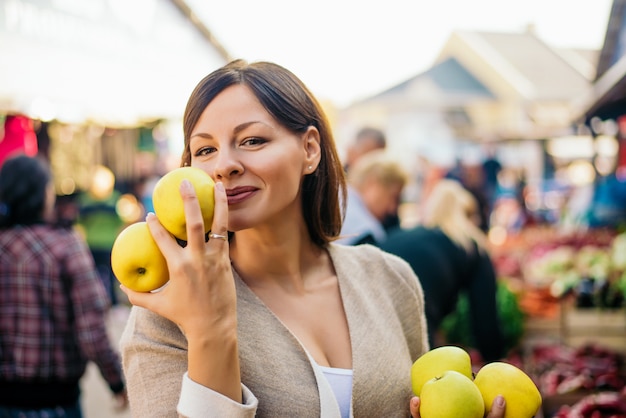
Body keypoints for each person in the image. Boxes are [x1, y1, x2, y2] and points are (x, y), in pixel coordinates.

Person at [118, 59, 507, 418]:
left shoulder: (391, 279)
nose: (225, 165)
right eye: (205, 149)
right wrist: (209, 330)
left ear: (309, 149)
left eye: (252, 140)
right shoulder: (165, 315)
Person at [0, 154, 128, 417]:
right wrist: (116, 381)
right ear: (43, 194)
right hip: (56, 401)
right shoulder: (65, 246)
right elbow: (92, 330)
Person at [380, 179, 506, 363]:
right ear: (471, 217)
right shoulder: (472, 246)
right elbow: (485, 317)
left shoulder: (405, 235)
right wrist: (495, 361)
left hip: (367, 317)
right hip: (413, 324)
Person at [76, 165, 125, 306]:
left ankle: (94, 301)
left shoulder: (84, 200)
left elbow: (80, 224)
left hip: (91, 244)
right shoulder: (115, 199)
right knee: (112, 276)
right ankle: (113, 302)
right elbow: (121, 222)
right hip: (110, 244)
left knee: (92, 277)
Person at [336, 150, 407, 246]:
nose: (392, 208)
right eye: (393, 197)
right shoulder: (364, 231)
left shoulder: (338, 197)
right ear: (372, 184)